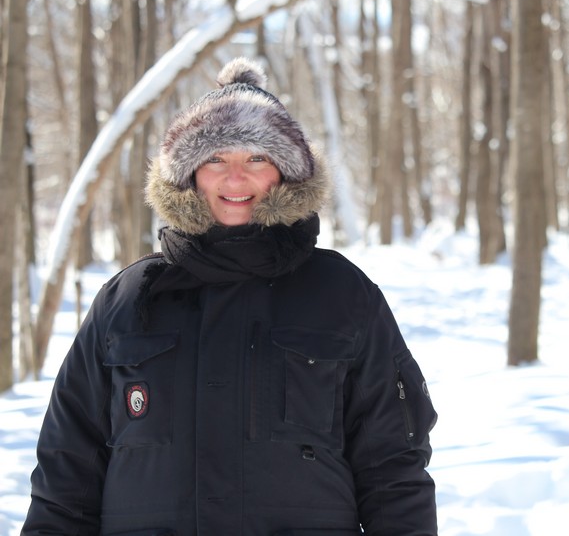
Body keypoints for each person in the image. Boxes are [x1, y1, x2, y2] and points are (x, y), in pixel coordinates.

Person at [23, 57, 438, 535]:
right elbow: (65, 475)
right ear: (189, 175)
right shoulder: (127, 300)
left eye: (256, 158)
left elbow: (394, 471)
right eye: (215, 159)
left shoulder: (343, 295)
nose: (235, 178)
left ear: (285, 173)